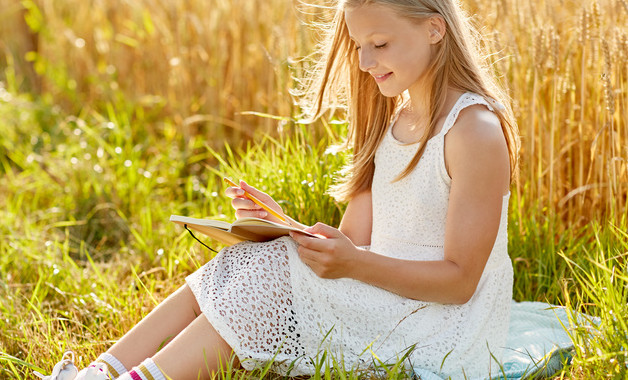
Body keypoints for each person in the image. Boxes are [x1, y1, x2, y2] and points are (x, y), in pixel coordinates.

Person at [38, 0, 520, 379]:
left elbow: (459, 283)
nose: (366, 61)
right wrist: (281, 225)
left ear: (434, 30)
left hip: (439, 321)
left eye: (380, 43)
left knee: (270, 276)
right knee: (250, 259)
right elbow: (356, 241)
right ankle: (101, 371)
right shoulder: (394, 119)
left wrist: (352, 263)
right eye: (358, 46)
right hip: (387, 292)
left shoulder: (472, 131)